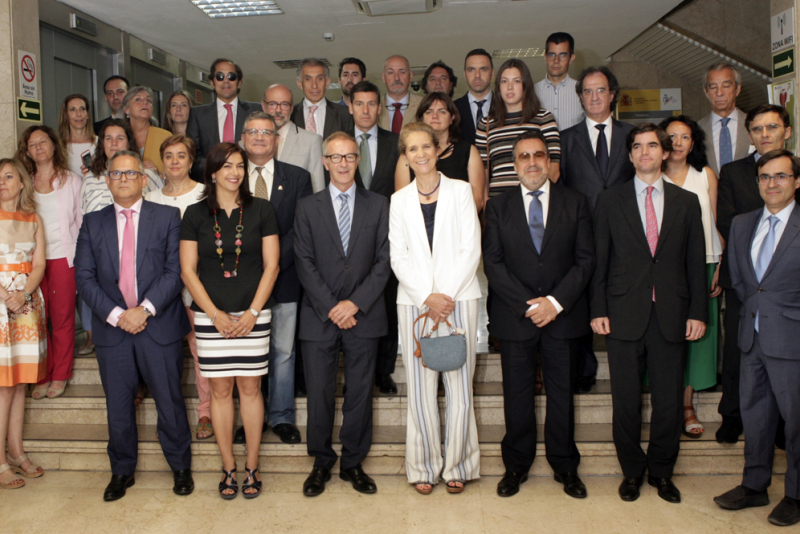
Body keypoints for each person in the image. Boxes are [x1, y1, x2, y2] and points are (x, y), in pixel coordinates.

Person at [591, 123, 707, 504]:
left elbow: (694, 263)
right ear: (630, 155)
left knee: (669, 401)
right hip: (623, 313)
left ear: (665, 151)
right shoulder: (610, 201)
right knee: (625, 401)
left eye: (652, 145)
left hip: (672, 315)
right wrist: (598, 309)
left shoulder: (687, 202)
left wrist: (697, 312)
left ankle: (661, 472)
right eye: (638, 146)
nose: (645, 152)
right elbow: (600, 261)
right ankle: (632, 473)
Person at [75, 150, 193, 501]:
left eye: (130, 174)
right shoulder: (92, 222)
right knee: (119, 404)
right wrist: (117, 315)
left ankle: (181, 468)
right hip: (113, 330)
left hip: (158, 326)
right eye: (116, 174)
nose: (124, 179)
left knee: (170, 401)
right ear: (107, 181)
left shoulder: (168, 216)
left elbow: (176, 271)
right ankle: (122, 471)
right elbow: (84, 277)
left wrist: (144, 310)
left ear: (144, 180)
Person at [483, 130, 594, 499]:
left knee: (562, 395)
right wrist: (529, 306)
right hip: (516, 318)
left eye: (539, 155)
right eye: (524, 157)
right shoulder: (498, 206)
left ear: (549, 162)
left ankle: (565, 466)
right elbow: (493, 264)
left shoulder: (575, 202)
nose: (532, 162)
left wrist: (555, 303)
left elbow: (585, 260)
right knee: (517, 396)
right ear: (514, 165)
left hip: (563, 316)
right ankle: (516, 466)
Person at [293, 132, 390, 497]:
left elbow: (384, 261)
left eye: (350, 156)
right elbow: (303, 261)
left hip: (364, 314)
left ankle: (353, 462)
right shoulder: (307, 206)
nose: (344, 163)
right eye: (336, 157)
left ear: (358, 160)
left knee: (360, 393)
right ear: (324, 161)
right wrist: (332, 306)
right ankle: (321, 462)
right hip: (319, 315)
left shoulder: (379, 204)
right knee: (319, 393)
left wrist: (355, 304)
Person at [181, 142, 279, 499]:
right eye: (227, 166)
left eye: (240, 166)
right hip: (211, 317)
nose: (235, 172)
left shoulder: (262, 210)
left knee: (250, 390)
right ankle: (228, 468)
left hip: (254, 314)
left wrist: (252, 312)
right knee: (220, 391)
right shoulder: (194, 214)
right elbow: (188, 272)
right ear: (212, 173)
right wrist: (214, 314)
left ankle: (252, 466)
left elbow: (272, 266)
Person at [390, 122, 482, 495]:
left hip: (459, 298)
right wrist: (426, 296)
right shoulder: (398, 200)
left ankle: (459, 465)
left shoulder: (461, 191)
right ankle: (423, 467)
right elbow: (398, 255)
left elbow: (470, 249)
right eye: (412, 149)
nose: (421, 154)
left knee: (460, 387)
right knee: (421, 388)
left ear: (437, 148)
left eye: (425, 146)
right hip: (414, 303)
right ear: (406, 156)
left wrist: (443, 297)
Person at [714, 149, 800, 527]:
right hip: (752, 337)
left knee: (796, 422)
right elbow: (742, 281)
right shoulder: (744, 224)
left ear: (796, 181)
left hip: (792, 339)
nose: (772, 183)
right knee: (756, 417)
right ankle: (754, 485)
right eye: (765, 177)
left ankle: (796, 494)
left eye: (780, 176)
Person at [231, 111, 311, 446]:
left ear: (277, 140)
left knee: (282, 350)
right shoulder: (229, 176)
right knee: (248, 352)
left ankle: (281, 416)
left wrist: (274, 264)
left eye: (267, 132)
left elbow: (300, 229)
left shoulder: (298, 177)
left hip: (286, 277)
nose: (260, 137)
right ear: (243, 139)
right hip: (240, 282)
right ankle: (252, 417)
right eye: (253, 132)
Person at [715, 104, 793, 444]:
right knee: (738, 350)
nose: (765, 134)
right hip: (743, 278)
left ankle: (778, 424)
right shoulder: (733, 172)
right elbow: (727, 221)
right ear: (749, 135)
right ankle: (732, 415)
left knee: (782, 355)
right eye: (758, 129)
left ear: (786, 131)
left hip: (787, 284)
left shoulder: (795, 170)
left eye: (772, 127)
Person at [560, 66, 635, 394]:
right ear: (580, 97)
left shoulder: (633, 136)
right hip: (581, 234)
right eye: (587, 91)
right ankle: (585, 369)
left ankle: (627, 364)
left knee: (621, 297)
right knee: (580, 302)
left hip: (624, 233)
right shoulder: (566, 139)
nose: (594, 97)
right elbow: (561, 189)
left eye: (600, 90)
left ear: (612, 94)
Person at [660, 115, 723, 438]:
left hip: (704, 264)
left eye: (685, 137)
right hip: (665, 271)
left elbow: (716, 225)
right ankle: (668, 406)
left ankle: (687, 406)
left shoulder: (705, 175)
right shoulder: (651, 176)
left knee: (697, 341)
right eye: (672, 137)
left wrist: (720, 264)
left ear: (693, 143)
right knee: (666, 338)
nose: (678, 143)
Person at [144, 135, 210, 440]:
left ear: (191, 160)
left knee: (202, 355)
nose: (174, 161)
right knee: (164, 357)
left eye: (181, 156)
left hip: (199, 290)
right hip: (162, 293)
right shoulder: (151, 199)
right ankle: (168, 415)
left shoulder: (205, 195)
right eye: (168, 155)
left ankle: (206, 414)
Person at [79, 119, 162, 359]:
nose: (114, 143)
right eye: (108, 138)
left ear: (130, 141)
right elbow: (82, 216)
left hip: (143, 270)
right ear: (100, 143)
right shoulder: (89, 178)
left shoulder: (148, 174)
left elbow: (158, 218)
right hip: (105, 268)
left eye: (120, 138)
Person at [16, 125, 82, 400]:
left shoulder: (72, 181)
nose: (39, 147)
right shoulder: (24, 183)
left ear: (55, 145)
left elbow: (81, 222)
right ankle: (42, 374)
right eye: (33, 144)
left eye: (43, 141)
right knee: (36, 320)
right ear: (27, 152)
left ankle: (60, 374)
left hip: (64, 258)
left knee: (63, 319)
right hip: (31, 263)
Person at [346, 80, 400, 394]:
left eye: (371, 104)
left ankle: (384, 371)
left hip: (386, 237)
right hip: (345, 240)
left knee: (386, 305)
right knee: (350, 301)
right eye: (359, 103)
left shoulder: (397, 143)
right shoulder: (337, 144)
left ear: (379, 108)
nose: (365, 110)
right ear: (350, 107)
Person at [0, 158, 47, 490]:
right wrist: (6, 295)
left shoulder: (34, 219)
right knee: (3, 385)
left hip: (27, 305)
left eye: (8, 176)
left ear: (21, 184)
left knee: (19, 384)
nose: (2, 182)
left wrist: (24, 294)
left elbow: (40, 264)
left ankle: (15, 451)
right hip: (1, 304)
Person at [475, 58, 560, 198]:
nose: (509, 87)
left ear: (525, 85)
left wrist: (537, 198)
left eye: (516, 81)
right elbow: (482, 174)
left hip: (535, 201)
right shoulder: (486, 124)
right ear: (498, 87)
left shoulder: (544, 118)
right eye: (504, 81)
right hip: (498, 205)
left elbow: (554, 169)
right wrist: (486, 203)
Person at [395, 91, 485, 209]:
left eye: (442, 111)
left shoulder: (469, 151)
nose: (435, 116)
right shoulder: (409, 155)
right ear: (421, 118)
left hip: (460, 222)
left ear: (452, 117)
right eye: (429, 112)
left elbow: (477, 200)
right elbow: (402, 202)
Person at [186, 58, 257, 182]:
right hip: (209, 184)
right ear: (212, 82)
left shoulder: (256, 111)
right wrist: (216, 169)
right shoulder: (197, 114)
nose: (225, 80)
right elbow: (192, 154)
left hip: (248, 181)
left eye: (231, 76)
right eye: (219, 76)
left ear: (239, 82)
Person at [262, 84, 325, 192]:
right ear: (263, 106)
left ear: (292, 108)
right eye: (272, 104)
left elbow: (318, 191)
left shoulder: (312, 141)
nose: (278, 110)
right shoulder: (247, 143)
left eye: (284, 104)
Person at [698, 63, 752, 175]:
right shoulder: (697, 129)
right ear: (706, 92)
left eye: (726, 86)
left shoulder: (754, 125)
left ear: (737, 89)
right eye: (713, 87)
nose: (719, 93)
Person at [290, 58, 354, 139]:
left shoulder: (344, 114)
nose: (314, 85)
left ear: (327, 82)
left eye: (319, 79)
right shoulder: (290, 115)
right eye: (308, 79)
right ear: (300, 84)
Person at [534, 32, 584, 131]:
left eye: (563, 55)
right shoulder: (532, 92)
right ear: (545, 57)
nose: (556, 60)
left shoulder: (582, 90)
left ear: (571, 58)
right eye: (552, 54)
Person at [122, 86, 172, 175]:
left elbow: (175, 172)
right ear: (126, 109)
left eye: (148, 100)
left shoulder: (165, 136)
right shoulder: (120, 136)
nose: (145, 102)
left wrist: (159, 174)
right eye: (138, 99)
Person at [454, 49, 494, 145]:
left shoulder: (506, 106)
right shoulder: (453, 109)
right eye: (471, 70)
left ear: (492, 73)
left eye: (483, 69)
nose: (477, 75)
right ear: (465, 74)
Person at [378, 55, 422, 134]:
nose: (397, 78)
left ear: (411, 76)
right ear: (383, 77)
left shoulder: (423, 104)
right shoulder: (374, 106)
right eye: (391, 72)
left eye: (402, 72)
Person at [58, 94, 96, 177]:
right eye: (73, 109)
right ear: (66, 115)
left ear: (88, 114)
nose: (79, 114)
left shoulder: (100, 143)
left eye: (82, 109)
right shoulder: (58, 146)